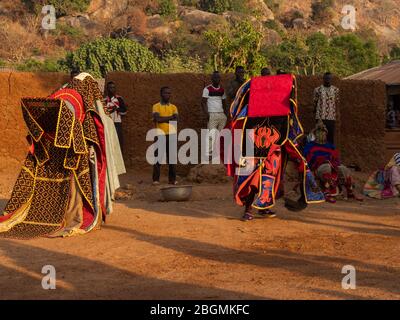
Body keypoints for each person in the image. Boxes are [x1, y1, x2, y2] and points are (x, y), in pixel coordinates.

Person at [0, 73, 125, 239]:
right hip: (74, 156)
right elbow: (91, 134)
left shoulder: (60, 96)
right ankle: (72, 215)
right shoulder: (83, 102)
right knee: (76, 187)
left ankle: (55, 213)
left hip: (56, 152)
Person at [222, 73, 325, 221]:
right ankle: (248, 209)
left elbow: (286, 133)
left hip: (272, 152)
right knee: (252, 180)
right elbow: (241, 126)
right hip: (253, 151)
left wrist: (293, 150)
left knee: (269, 181)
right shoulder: (252, 109)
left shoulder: (283, 111)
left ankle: (264, 208)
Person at [304, 122, 363, 203]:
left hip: (332, 165)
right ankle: (327, 192)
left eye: (323, 132)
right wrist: (320, 160)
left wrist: (332, 161)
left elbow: (336, 158)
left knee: (343, 169)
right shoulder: (310, 145)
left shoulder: (330, 146)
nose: (321, 134)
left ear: (326, 134)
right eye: (319, 132)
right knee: (326, 167)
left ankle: (350, 192)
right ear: (315, 134)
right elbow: (307, 158)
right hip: (318, 167)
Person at [152, 87, 179, 185]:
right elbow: (157, 119)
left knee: (172, 159)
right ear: (161, 94)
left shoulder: (174, 107)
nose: (168, 95)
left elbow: (176, 120)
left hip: (172, 135)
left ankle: (172, 180)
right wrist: (171, 117)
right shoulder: (156, 106)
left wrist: (163, 119)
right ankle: (156, 179)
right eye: (165, 93)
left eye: (169, 93)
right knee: (158, 158)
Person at [202, 71, 227, 157]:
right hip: (212, 114)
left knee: (220, 135)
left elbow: (224, 102)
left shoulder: (222, 90)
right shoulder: (207, 89)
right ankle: (208, 154)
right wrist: (207, 114)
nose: (217, 79)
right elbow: (203, 102)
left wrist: (226, 114)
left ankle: (218, 154)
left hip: (221, 114)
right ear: (212, 79)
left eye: (218, 78)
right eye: (215, 78)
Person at [313, 72, 339, 144]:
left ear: (331, 79)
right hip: (320, 117)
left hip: (331, 117)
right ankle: (319, 153)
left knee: (330, 137)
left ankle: (330, 154)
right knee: (319, 137)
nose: (328, 80)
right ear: (323, 79)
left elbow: (336, 103)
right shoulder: (317, 90)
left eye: (329, 78)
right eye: (326, 78)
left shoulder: (336, 90)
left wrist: (335, 114)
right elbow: (315, 102)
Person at [104, 81, 128, 152]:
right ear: (107, 89)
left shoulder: (119, 99)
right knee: (108, 141)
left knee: (118, 140)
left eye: (113, 87)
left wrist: (116, 109)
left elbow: (125, 110)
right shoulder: (104, 100)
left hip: (117, 123)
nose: (112, 89)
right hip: (107, 123)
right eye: (110, 88)